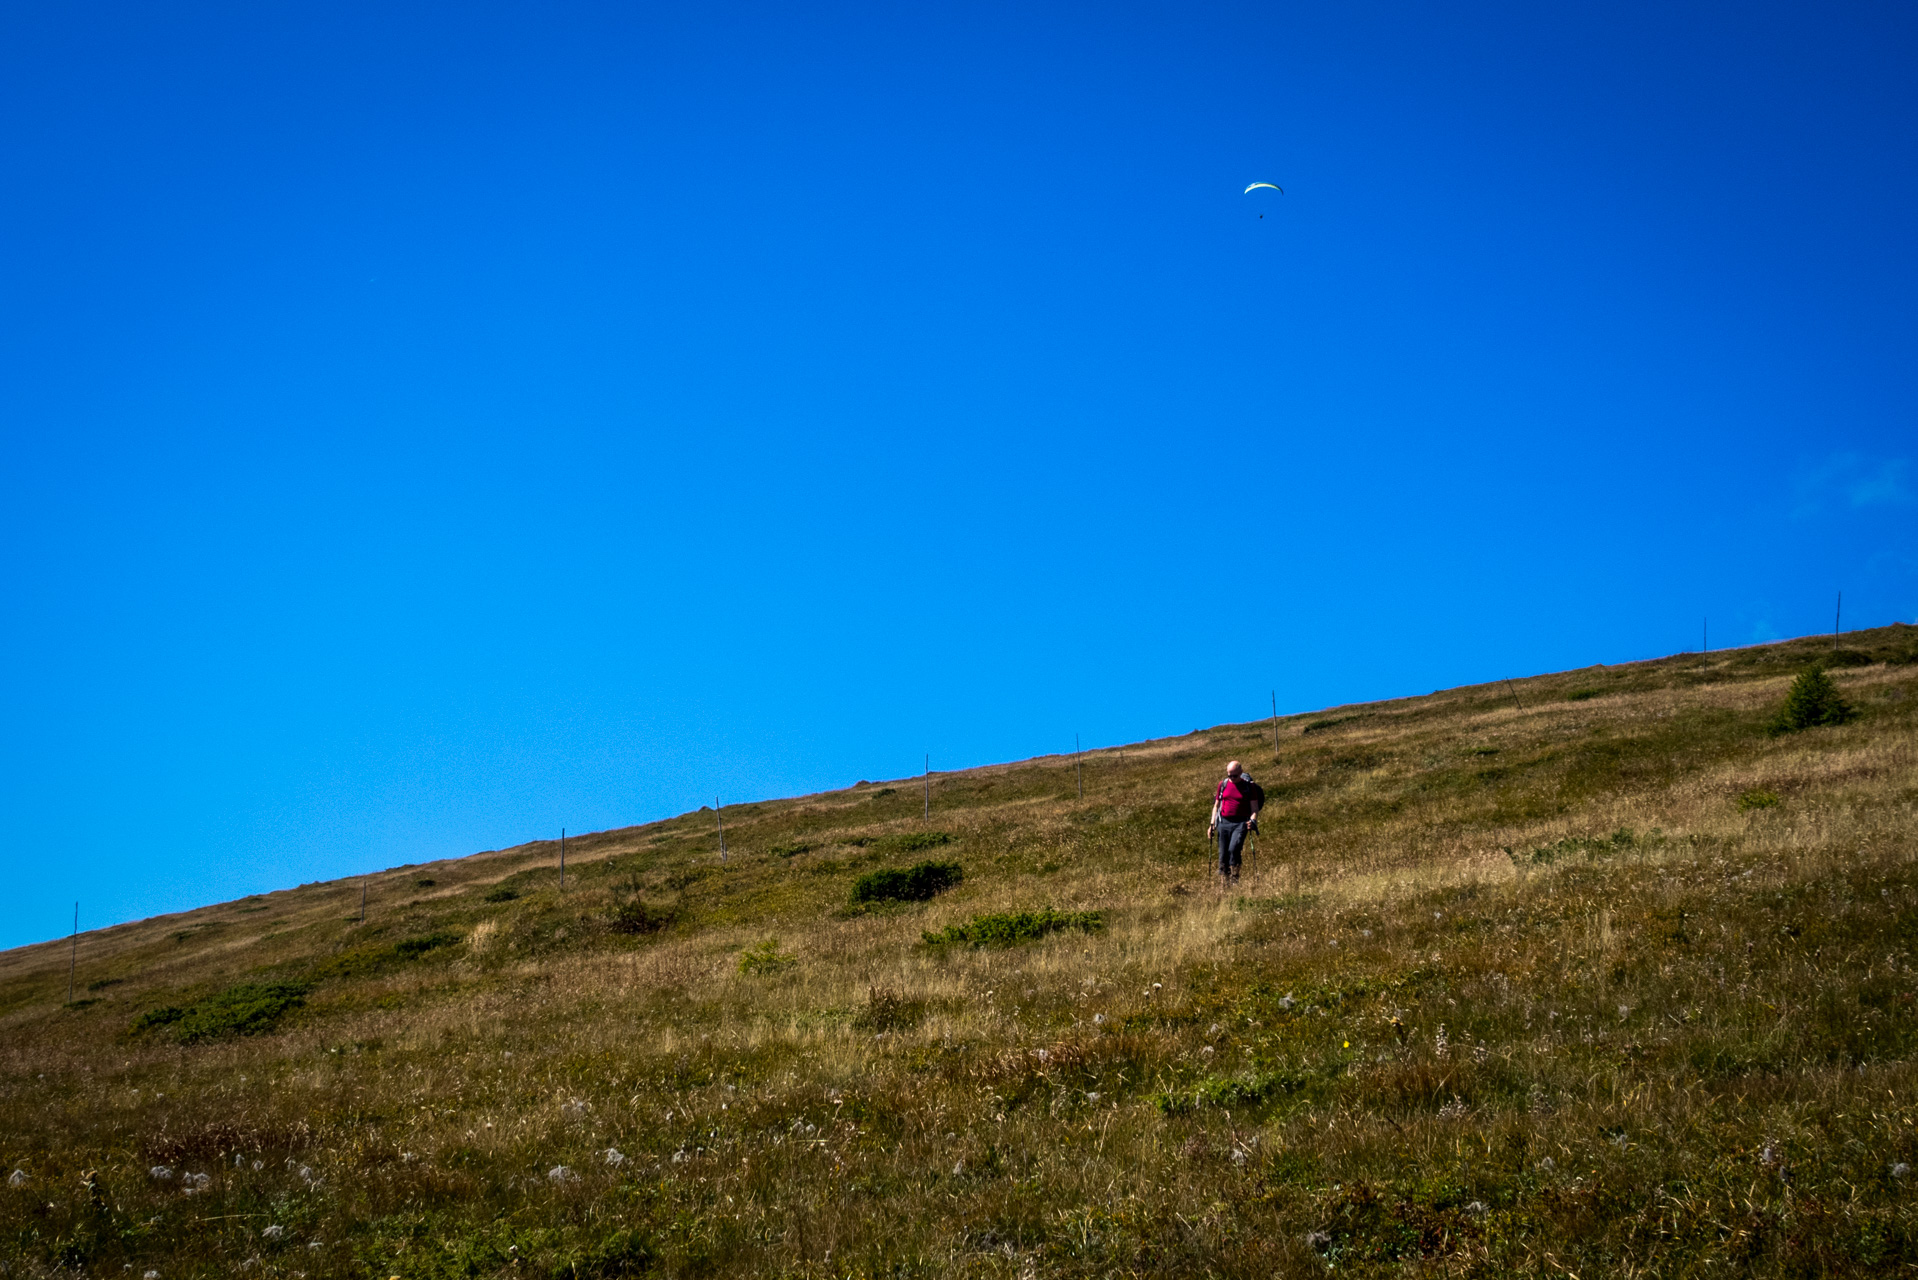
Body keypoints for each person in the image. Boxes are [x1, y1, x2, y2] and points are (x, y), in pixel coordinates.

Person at [1207, 760, 1264, 885]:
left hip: (1240, 823)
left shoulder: (1249, 787)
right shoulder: (1223, 785)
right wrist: (1212, 825)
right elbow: (1216, 806)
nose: (1232, 778)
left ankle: (1235, 878)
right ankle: (1224, 884)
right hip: (1223, 822)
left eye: (1235, 776)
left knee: (1233, 849)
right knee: (1222, 853)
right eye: (1229, 775)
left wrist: (1252, 820)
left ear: (1241, 772)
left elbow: (1254, 808)